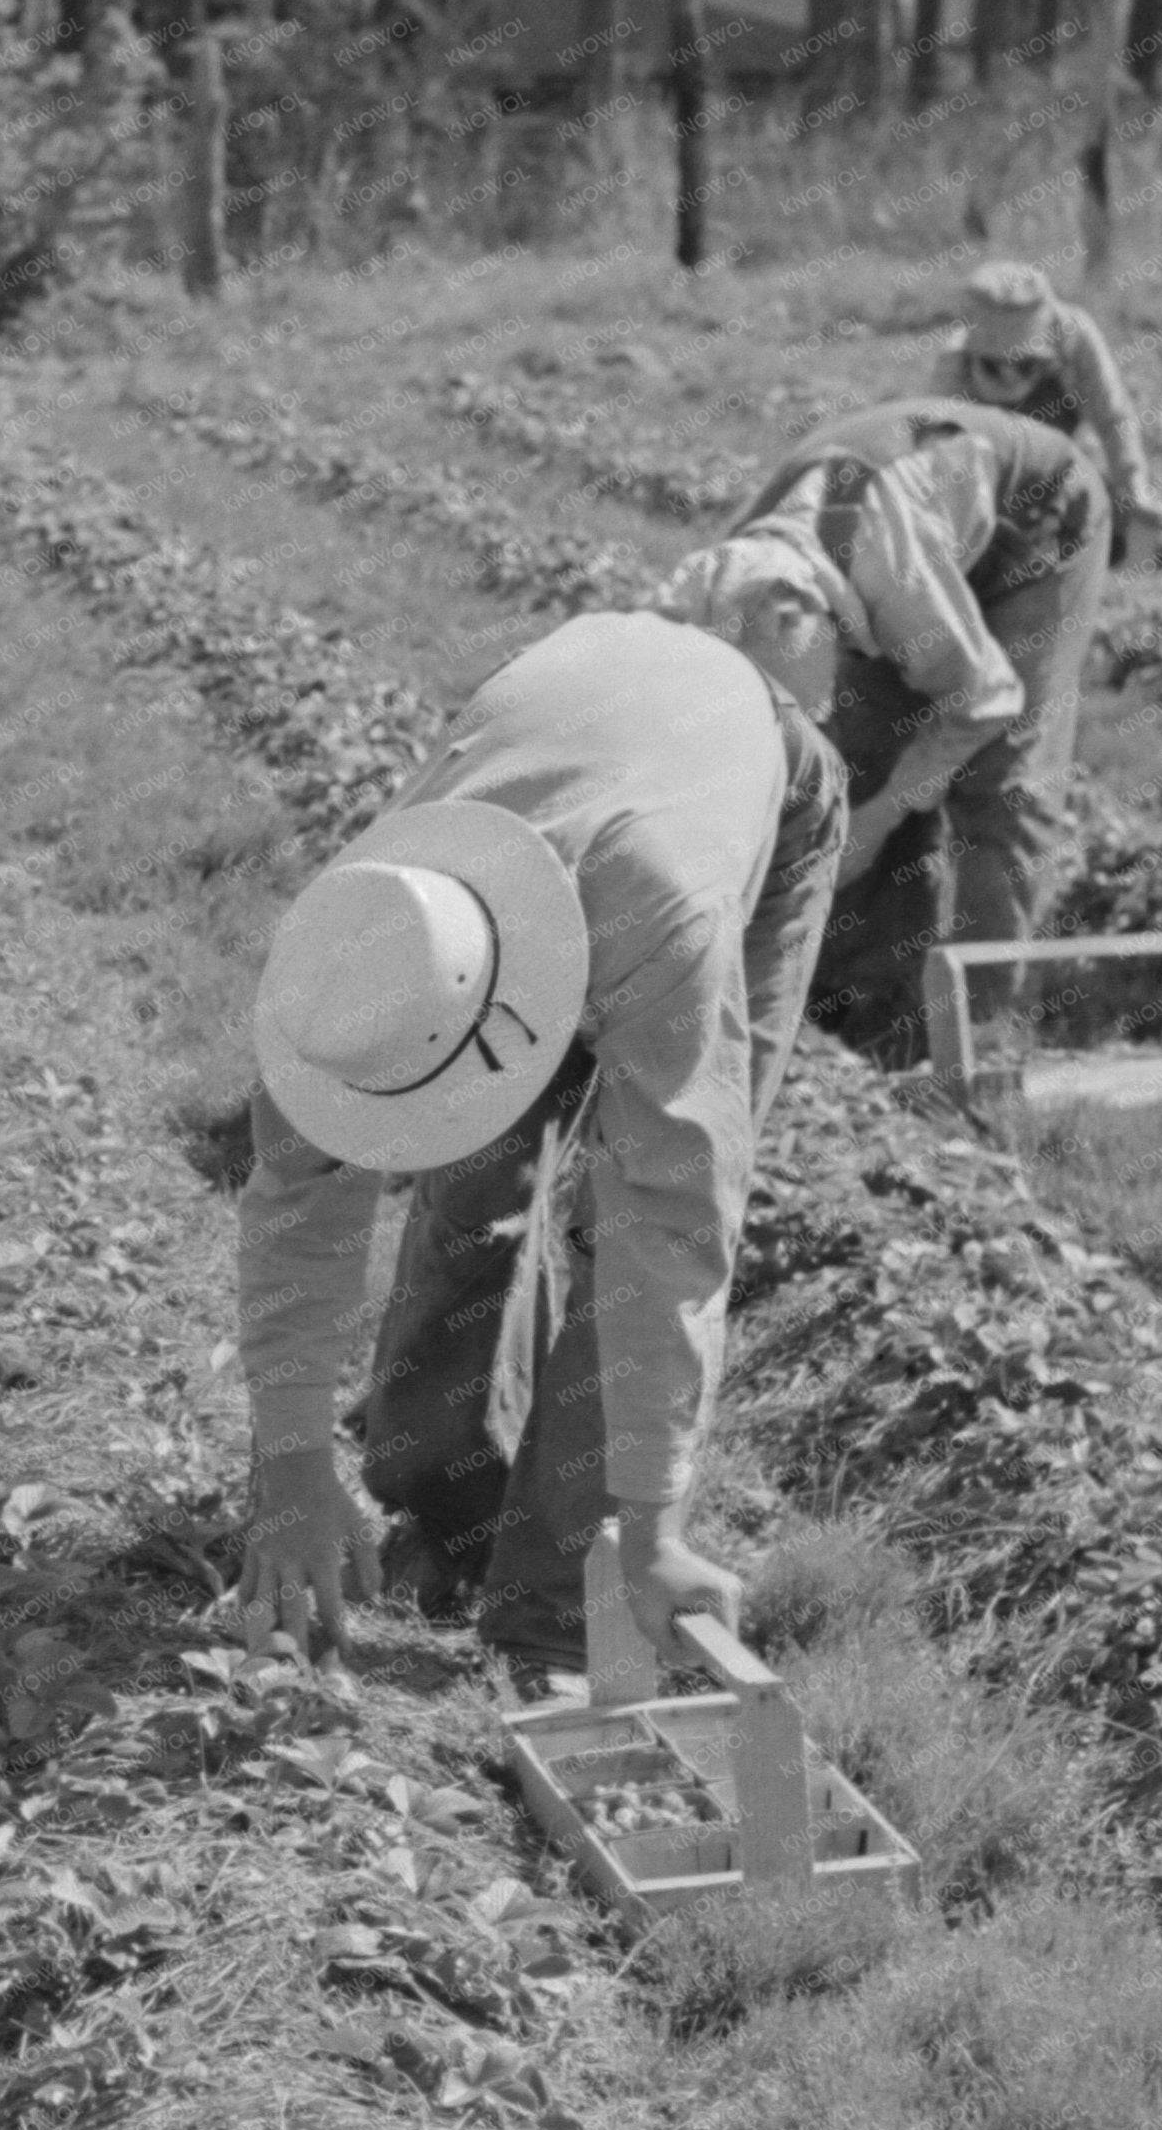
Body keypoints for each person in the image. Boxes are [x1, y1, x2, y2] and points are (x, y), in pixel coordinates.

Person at [233, 612, 846, 1685]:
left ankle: (559, 1607)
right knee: (476, 1187)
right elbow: (296, 1200)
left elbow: (669, 1223)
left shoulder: (663, 926)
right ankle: (444, 1503)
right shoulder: (359, 951)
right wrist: (285, 1459)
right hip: (570, 731)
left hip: (743, 761)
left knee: (622, 1218)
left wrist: (651, 1526)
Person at [655, 396, 1107, 1067]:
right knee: (853, 761)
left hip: (1035, 524)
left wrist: (878, 819)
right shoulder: (726, 574)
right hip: (921, 532)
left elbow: (986, 699)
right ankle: (865, 997)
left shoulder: (881, 568)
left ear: (801, 617)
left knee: (1000, 784)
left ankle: (979, 1042)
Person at [927, 260, 1162, 565]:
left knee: (1123, 523)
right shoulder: (952, 368)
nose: (1010, 376)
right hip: (989, 466)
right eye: (995, 367)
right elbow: (935, 455)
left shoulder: (1075, 337)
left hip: (1063, 453)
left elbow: (1113, 419)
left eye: (1024, 364)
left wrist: (1134, 490)